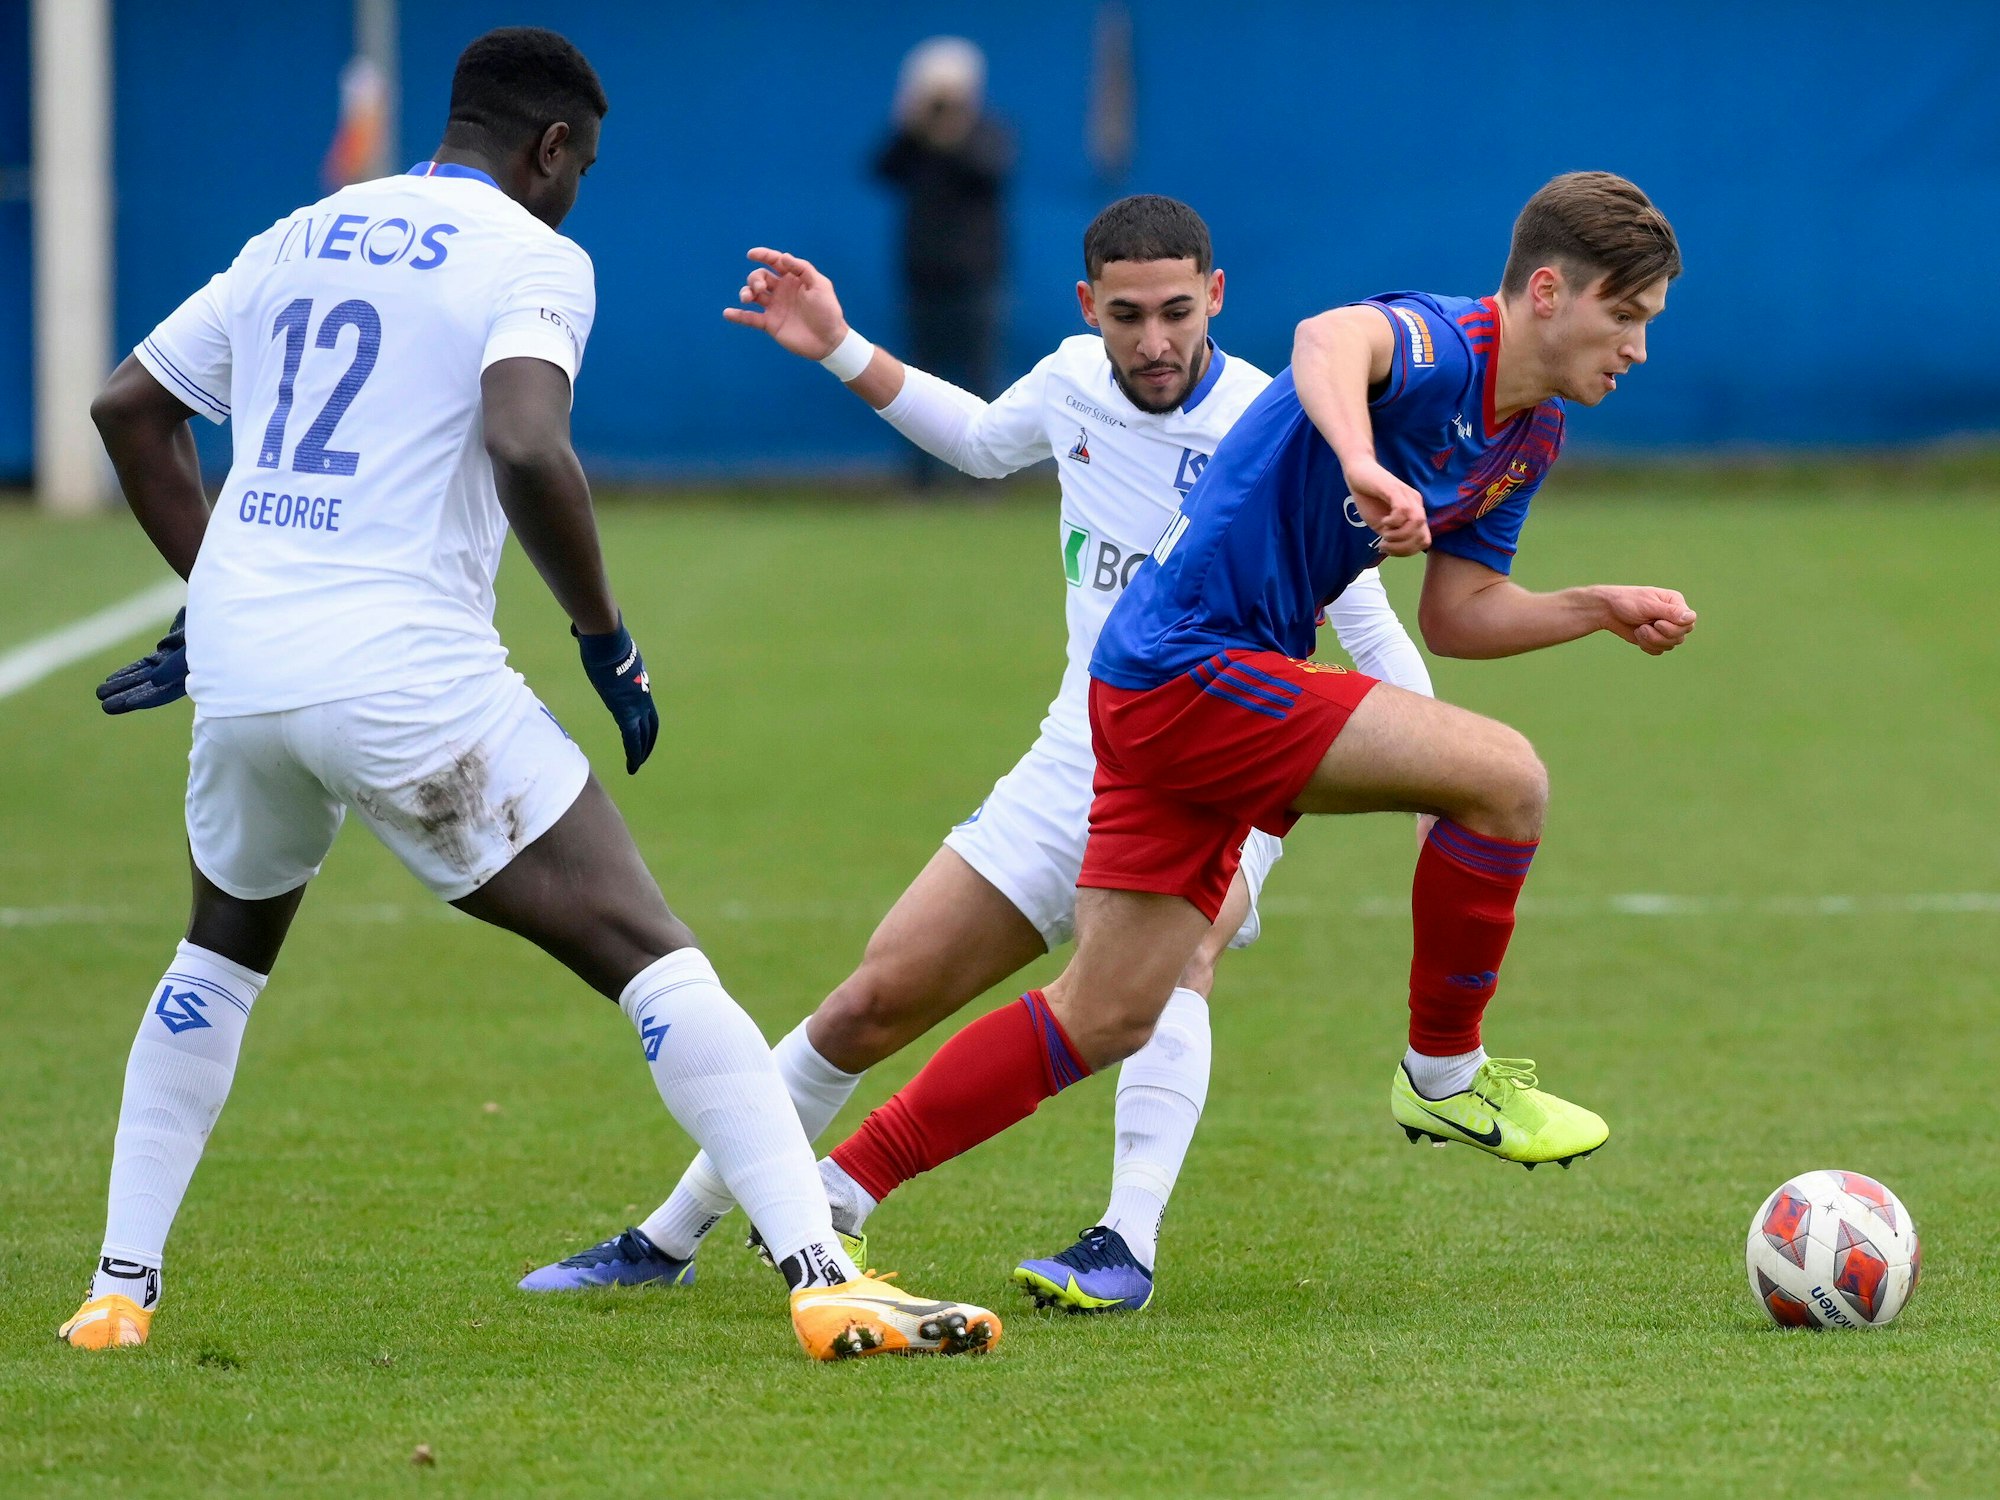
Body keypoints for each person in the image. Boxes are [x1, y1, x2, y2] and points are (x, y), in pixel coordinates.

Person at [60, 25, 997, 1363]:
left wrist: (220, 598)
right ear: (551, 148)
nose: (579, 189)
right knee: (653, 955)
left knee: (215, 956)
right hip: (401, 674)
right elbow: (524, 439)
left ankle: (116, 1292)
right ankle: (822, 1271)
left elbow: (126, 409)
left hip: (248, 676)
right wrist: (603, 636)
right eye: (583, 165)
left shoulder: (297, 234)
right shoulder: (532, 253)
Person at [520, 195, 1434, 1313]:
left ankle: (1122, 1242)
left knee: (1170, 971)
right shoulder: (1066, 383)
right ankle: (668, 1237)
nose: (1153, 342)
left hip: (1220, 762)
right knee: (870, 1000)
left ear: (1218, 298)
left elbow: (1374, 631)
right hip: (1073, 759)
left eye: (1177, 313)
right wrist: (840, 347)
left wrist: (1429, 771)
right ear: (1087, 305)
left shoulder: (1277, 425)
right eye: (1128, 315)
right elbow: (980, 441)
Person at [806, 172, 1696, 1264]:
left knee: (1110, 1011)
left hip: (1172, 693)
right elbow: (1326, 338)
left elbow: (1457, 615)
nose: (1636, 349)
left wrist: (1595, 608)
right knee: (1505, 776)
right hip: (1190, 666)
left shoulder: (1527, 437)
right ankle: (1443, 1078)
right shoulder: (1443, 345)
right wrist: (1362, 460)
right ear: (1548, 292)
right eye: (1626, 317)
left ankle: (837, 1190)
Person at [874, 36, 1012, 485]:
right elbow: (882, 168)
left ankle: (981, 482)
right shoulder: (914, 144)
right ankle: (921, 480)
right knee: (914, 382)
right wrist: (912, 120)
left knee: (978, 379)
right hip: (923, 279)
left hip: (977, 279)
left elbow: (987, 170)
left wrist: (954, 128)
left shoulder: (988, 133)